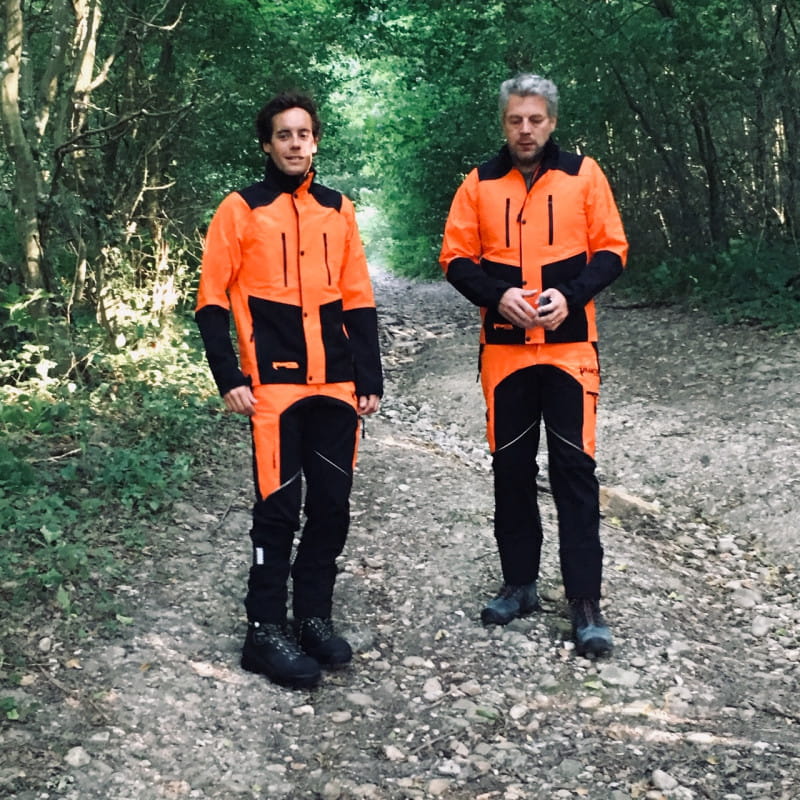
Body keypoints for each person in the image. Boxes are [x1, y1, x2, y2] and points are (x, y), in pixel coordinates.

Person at [195, 92, 383, 688]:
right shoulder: (241, 209)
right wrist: (229, 376)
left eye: (304, 133)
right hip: (273, 386)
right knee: (277, 509)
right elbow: (211, 300)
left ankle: (313, 618)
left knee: (331, 506)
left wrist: (370, 375)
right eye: (284, 134)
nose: (295, 143)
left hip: (337, 383)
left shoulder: (338, 209)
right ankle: (264, 629)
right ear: (267, 144)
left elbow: (358, 297)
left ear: (316, 141)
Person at [439, 73, 628, 658]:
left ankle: (585, 602)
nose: (526, 129)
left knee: (575, 472)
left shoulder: (584, 175)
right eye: (516, 120)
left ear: (552, 121)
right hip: (505, 351)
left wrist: (570, 295)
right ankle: (518, 584)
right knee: (511, 469)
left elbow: (612, 250)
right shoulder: (478, 183)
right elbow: (454, 257)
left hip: (571, 348)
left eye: (536, 119)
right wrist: (497, 296)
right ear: (504, 123)